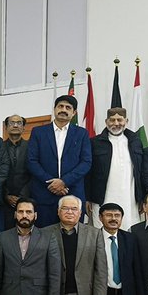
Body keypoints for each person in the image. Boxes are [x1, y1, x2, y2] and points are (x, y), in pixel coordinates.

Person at [27, 95, 92, 227]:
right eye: (60, 106)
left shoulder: (82, 134)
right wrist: (52, 183)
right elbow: (31, 161)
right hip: (44, 194)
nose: (63, 110)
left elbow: (86, 162)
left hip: (72, 194)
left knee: (72, 238)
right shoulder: (38, 132)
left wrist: (64, 182)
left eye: (68, 107)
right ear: (54, 109)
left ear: (74, 113)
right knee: (44, 238)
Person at [43, 195, 108, 295]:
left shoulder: (94, 234)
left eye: (74, 209)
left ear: (80, 212)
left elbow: (101, 269)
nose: (70, 212)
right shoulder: (45, 233)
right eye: (65, 208)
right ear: (58, 211)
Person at [87, 107, 144, 228]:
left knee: (129, 230)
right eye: (112, 120)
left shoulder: (135, 141)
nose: (116, 123)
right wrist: (87, 198)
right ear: (106, 122)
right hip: (102, 197)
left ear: (126, 121)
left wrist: (142, 197)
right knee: (103, 232)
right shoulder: (94, 142)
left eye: (120, 120)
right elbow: (88, 172)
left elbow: (141, 171)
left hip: (130, 198)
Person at [95, 203, 145, 295]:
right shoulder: (93, 238)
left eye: (117, 215)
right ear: (100, 218)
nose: (113, 219)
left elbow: (137, 271)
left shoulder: (130, 239)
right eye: (109, 215)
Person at [2, 115, 32, 231]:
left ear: (24, 127)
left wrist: (23, 195)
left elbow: (33, 173)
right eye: (11, 123)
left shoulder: (31, 146)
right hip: (4, 201)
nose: (15, 125)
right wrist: (6, 195)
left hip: (27, 198)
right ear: (6, 127)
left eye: (19, 123)